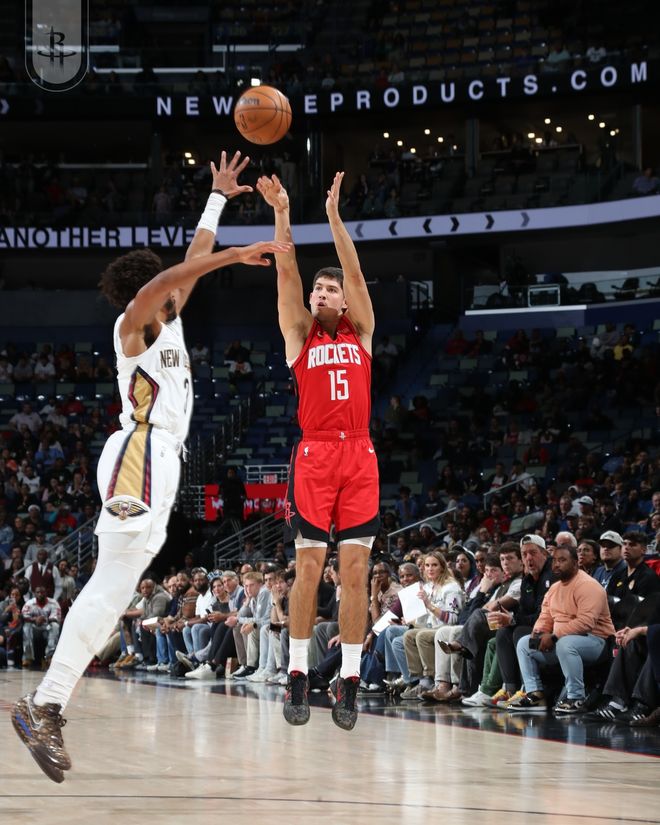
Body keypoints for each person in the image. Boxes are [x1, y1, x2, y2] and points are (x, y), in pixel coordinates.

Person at [11, 150, 290, 783]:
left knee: (115, 591)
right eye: (168, 284)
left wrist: (217, 200)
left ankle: (49, 704)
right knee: (109, 585)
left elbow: (190, 257)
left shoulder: (171, 321)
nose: (175, 288)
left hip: (162, 460)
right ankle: (45, 703)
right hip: (138, 452)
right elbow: (163, 283)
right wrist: (233, 255)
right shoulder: (131, 325)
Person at [256, 171, 380, 732]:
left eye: (330, 289)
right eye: (318, 290)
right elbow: (286, 271)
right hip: (315, 456)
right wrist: (282, 212)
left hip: (360, 455)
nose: (322, 293)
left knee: (356, 571)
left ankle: (349, 678)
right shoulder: (298, 335)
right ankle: (299, 671)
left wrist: (333, 218)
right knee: (308, 567)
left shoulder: (363, 332)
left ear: (344, 298)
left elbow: (353, 270)